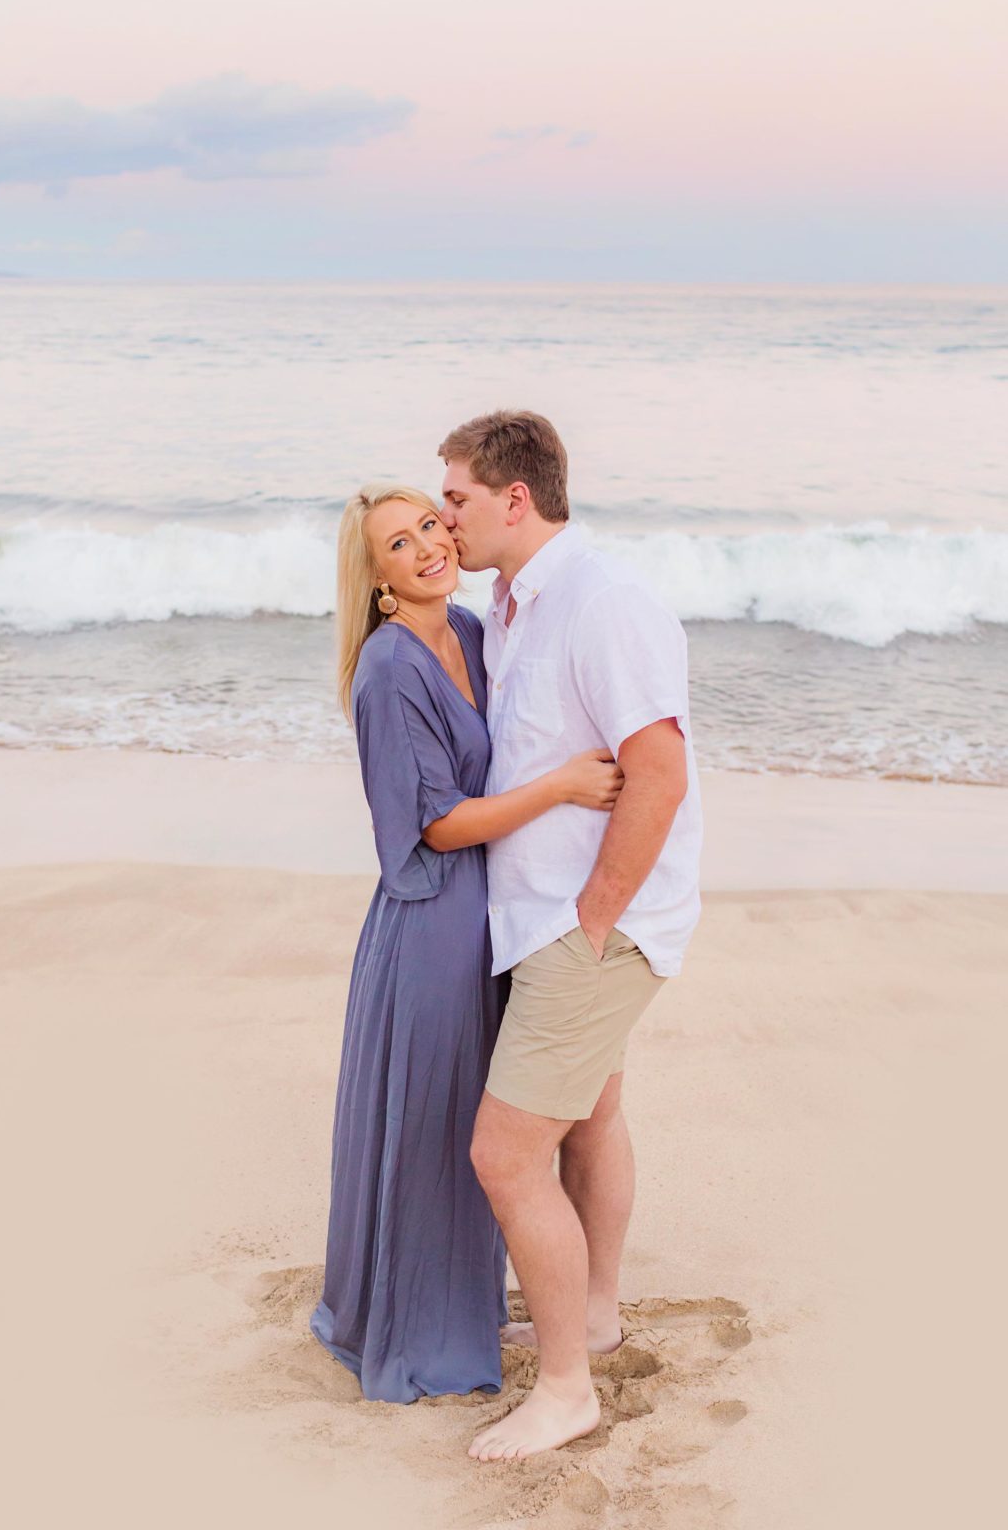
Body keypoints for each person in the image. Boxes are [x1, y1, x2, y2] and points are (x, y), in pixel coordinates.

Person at [310, 483, 624, 1403]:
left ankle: (468, 1306)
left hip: (493, 910)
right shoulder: (388, 670)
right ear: (376, 580)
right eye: (397, 545)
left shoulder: (478, 635)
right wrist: (565, 788)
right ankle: (418, 1334)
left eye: (429, 527)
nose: (425, 548)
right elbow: (436, 825)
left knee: (485, 1129)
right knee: (441, 1130)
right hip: (434, 922)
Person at [435, 411, 703, 1461]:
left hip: (586, 923)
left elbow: (660, 769)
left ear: (513, 498)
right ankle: (591, 1314)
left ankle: (564, 1388)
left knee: (503, 1155)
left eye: (453, 497)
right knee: (589, 1116)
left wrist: (597, 917)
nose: (443, 518)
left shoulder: (604, 601)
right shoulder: (508, 607)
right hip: (543, 917)